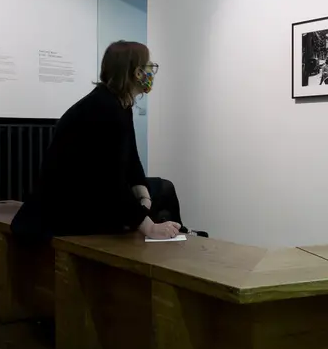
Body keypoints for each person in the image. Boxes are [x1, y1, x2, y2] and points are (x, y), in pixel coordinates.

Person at [11, 41, 199, 242]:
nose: (151, 72)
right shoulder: (105, 109)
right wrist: (149, 226)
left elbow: (131, 161)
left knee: (162, 190)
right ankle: (173, 239)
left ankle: (177, 233)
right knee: (163, 192)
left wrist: (144, 197)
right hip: (70, 208)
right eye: (148, 67)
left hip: (89, 196)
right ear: (136, 73)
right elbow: (110, 182)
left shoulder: (118, 104)